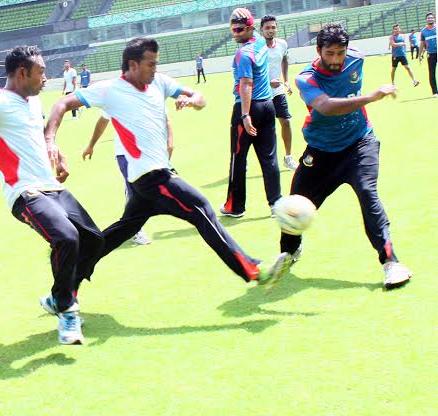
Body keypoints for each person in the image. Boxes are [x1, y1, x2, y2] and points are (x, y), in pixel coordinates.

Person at [45, 37, 292, 291]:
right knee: (202, 208)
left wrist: (192, 100)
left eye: (156, 64)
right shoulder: (109, 90)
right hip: (151, 177)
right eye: (150, 64)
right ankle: (255, 272)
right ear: (132, 64)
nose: (155, 69)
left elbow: (199, 96)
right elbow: (62, 103)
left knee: (117, 234)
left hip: (148, 181)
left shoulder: (159, 82)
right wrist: (50, 139)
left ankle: (65, 287)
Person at [0, 46, 104, 345]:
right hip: (25, 192)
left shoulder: (33, 102)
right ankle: (67, 310)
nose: (46, 78)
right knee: (67, 238)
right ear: (22, 73)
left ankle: (60, 298)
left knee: (94, 239)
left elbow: (37, 135)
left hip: (52, 187)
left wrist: (58, 154)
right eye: (41, 72)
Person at [287, 22, 412, 289]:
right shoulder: (306, 78)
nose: (335, 59)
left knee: (368, 192)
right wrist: (370, 97)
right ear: (318, 49)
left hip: (359, 143)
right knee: (295, 205)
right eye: (329, 53)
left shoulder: (357, 59)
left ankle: (392, 262)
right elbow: (326, 106)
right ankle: (289, 252)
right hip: (321, 153)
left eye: (340, 53)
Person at [81, 108, 176, 245]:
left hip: (150, 150)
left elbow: (165, 117)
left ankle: (127, 227)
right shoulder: (115, 92)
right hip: (125, 153)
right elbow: (103, 120)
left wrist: (169, 142)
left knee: (143, 190)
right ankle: (135, 230)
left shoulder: (152, 89)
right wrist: (91, 145)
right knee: (135, 190)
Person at [220, 8, 281, 219]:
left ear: (250, 28)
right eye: (233, 29)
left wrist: (245, 115)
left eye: (239, 29)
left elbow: (246, 83)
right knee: (269, 157)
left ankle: (235, 207)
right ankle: (276, 204)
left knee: (238, 158)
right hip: (267, 105)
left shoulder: (243, 53)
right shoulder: (260, 43)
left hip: (248, 107)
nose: (235, 33)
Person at [261, 14, 298, 171]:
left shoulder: (282, 44)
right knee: (260, 128)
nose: (271, 30)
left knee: (286, 121)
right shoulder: (257, 48)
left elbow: (284, 60)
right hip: (261, 93)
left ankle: (288, 157)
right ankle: (245, 158)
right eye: (267, 28)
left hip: (277, 91)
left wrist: (286, 80)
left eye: (273, 27)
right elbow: (251, 72)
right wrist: (267, 82)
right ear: (261, 30)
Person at [419, 12, 437, 97]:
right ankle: (435, 92)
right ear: (426, 20)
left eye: (431, 18)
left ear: (434, 18)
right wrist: (420, 55)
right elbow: (422, 44)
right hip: (431, 54)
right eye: (428, 18)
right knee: (432, 72)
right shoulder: (423, 31)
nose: (430, 19)